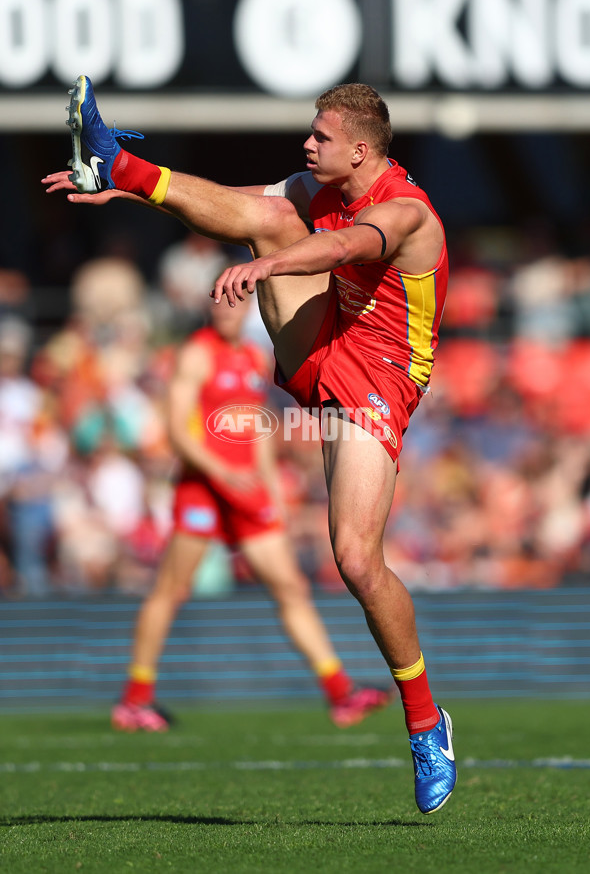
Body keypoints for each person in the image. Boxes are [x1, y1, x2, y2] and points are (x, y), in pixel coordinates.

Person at [43, 75, 456, 814]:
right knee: (267, 214)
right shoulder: (316, 184)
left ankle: (425, 722)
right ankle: (117, 161)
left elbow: (350, 244)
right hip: (324, 339)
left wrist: (272, 264)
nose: (308, 142)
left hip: (383, 376)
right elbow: (235, 203)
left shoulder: (405, 210)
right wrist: (134, 190)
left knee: (357, 559)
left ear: (361, 150)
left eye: (321, 136)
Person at [111, 295, 393, 731]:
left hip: (246, 491)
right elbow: (177, 432)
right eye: (221, 305)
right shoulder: (196, 353)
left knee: (290, 588)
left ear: (248, 311)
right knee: (171, 590)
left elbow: (257, 425)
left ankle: (341, 694)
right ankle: (135, 699)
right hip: (204, 487)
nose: (228, 311)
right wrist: (223, 471)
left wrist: (269, 484)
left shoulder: (249, 356)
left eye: (236, 304)